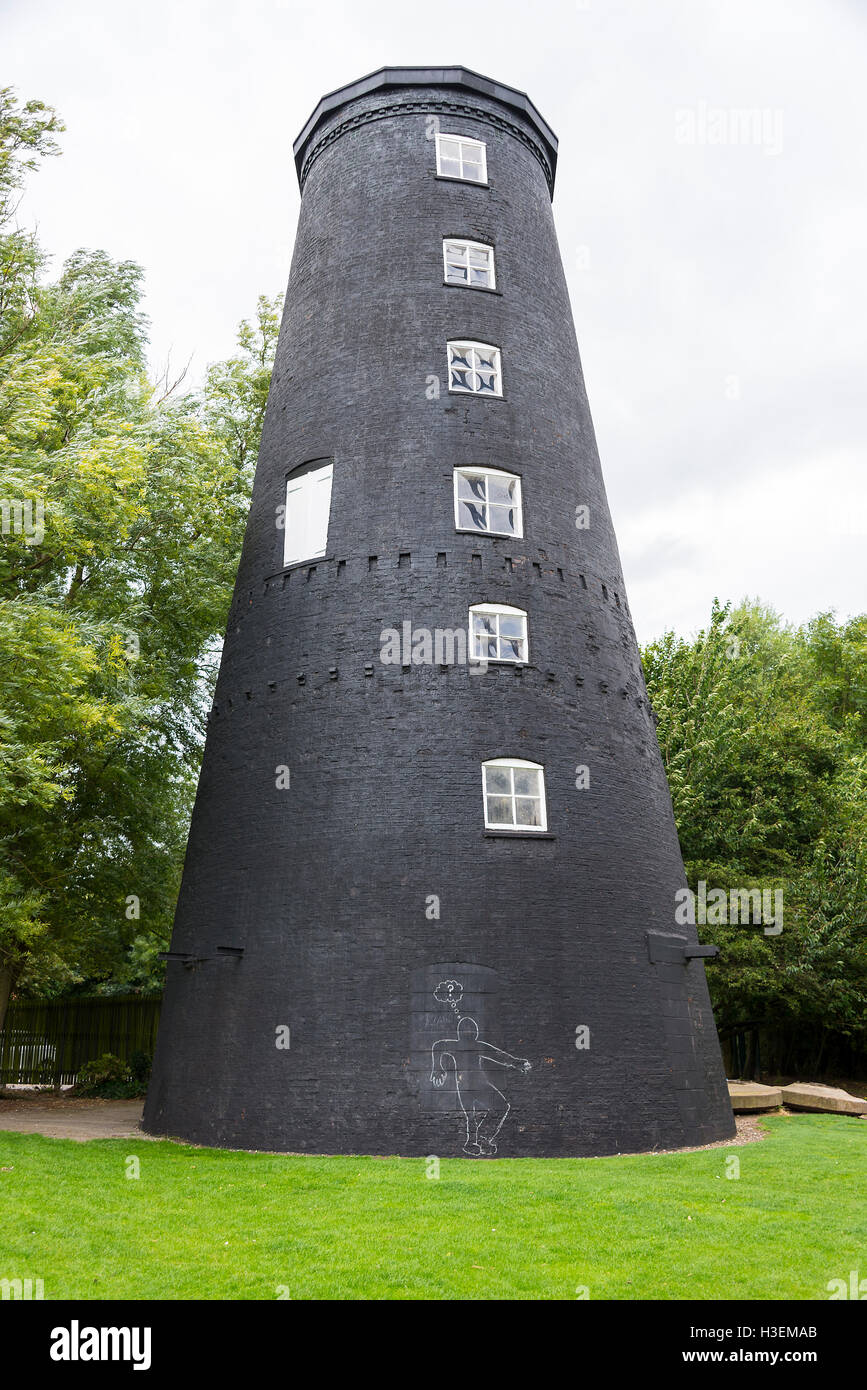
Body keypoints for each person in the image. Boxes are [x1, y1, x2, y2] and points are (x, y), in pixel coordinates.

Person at [430, 1014, 531, 1156]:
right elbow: (499, 1055)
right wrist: (437, 1068)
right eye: (468, 1031)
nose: (469, 1034)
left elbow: (499, 1055)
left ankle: (478, 1139)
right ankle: (477, 1140)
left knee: (490, 1110)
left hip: (473, 1085)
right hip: (471, 1086)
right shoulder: (469, 1045)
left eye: (471, 1031)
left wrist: (516, 1062)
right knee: (475, 1115)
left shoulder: (466, 1045)